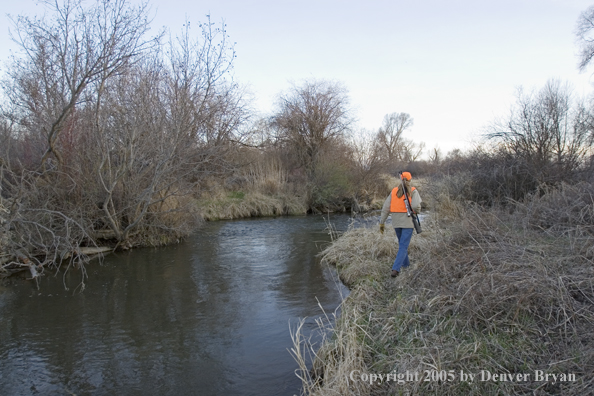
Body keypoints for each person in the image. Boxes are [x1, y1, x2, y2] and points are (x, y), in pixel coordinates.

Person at [379, 171, 422, 277]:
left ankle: (406, 265)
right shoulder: (413, 191)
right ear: (410, 180)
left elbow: (385, 208)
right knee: (403, 246)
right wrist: (417, 211)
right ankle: (395, 269)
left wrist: (382, 222)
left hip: (396, 222)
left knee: (402, 245)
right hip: (408, 221)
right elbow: (416, 206)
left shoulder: (394, 191)